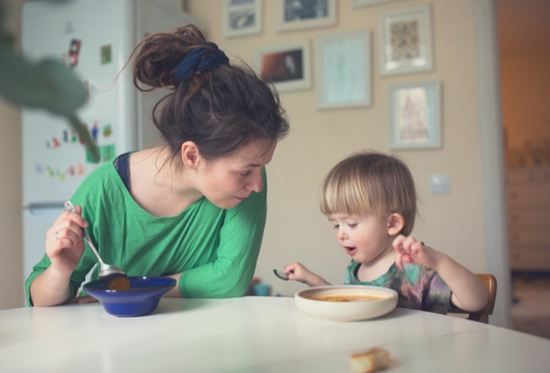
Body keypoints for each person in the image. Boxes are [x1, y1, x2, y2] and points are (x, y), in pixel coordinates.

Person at [26, 24, 290, 307]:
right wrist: (60, 271)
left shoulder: (243, 188)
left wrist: (137, 288)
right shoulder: (104, 191)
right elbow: (37, 298)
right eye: (245, 171)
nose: (257, 184)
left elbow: (230, 280)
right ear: (191, 155)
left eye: (261, 166)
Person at [283, 151, 488, 314]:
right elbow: (348, 305)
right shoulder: (356, 267)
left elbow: (477, 302)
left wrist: (439, 262)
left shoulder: (415, 269)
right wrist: (310, 278)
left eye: (351, 224)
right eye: (336, 225)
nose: (341, 235)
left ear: (392, 224)